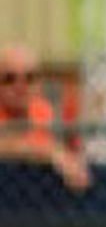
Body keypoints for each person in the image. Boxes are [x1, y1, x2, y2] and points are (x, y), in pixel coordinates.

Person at [0, 43, 90, 192]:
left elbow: (75, 150)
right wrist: (51, 153)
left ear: (39, 83)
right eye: (9, 79)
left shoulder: (46, 112)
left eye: (29, 78)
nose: (20, 86)